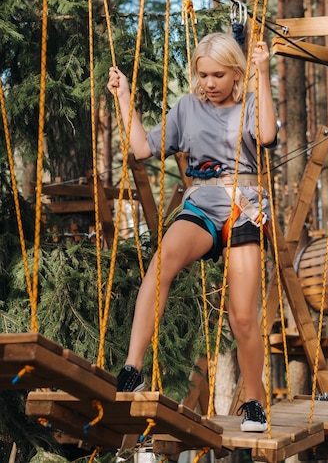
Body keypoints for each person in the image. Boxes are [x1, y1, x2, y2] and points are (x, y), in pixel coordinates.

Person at [107, 32, 277, 432]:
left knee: (242, 316)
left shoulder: (252, 103)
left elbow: (267, 135)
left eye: (218, 74)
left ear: (236, 72)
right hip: (201, 204)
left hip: (243, 209)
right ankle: (133, 367)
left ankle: (254, 400)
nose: (210, 83)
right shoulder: (187, 108)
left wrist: (264, 73)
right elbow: (141, 149)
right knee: (161, 263)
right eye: (203, 75)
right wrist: (124, 98)